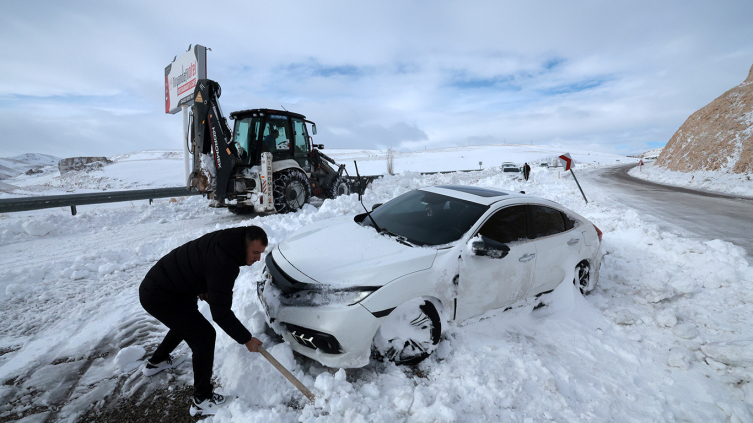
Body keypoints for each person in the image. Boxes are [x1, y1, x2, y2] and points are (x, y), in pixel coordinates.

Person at [139, 226, 267, 416]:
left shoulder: (228, 239)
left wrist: (204, 286)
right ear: (243, 246)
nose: (258, 258)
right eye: (255, 252)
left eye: (261, 253)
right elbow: (221, 313)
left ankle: (157, 361)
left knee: (187, 321)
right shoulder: (225, 263)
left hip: (168, 285)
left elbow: (202, 262)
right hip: (160, 294)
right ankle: (202, 399)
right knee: (204, 335)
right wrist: (246, 339)